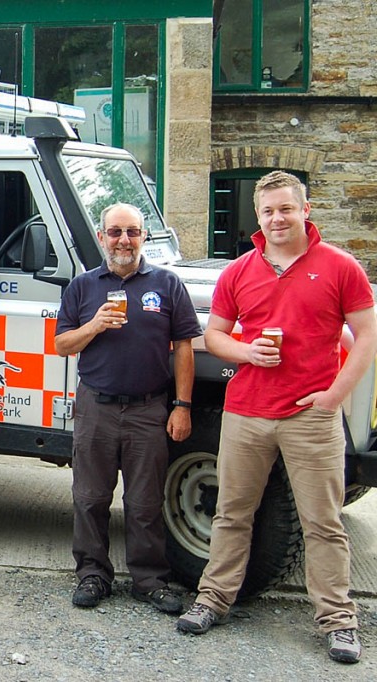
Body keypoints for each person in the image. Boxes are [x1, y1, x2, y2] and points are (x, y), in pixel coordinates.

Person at [177, 171, 377, 664]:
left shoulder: (340, 267)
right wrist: (246, 352)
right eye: (267, 211)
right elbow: (214, 336)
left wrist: (335, 396)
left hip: (311, 416)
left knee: (322, 522)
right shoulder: (239, 271)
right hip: (245, 412)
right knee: (231, 513)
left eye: (286, 208)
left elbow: (367, 336)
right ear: (258, 216)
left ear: (305, 210)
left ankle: (338, 621)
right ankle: (212, 599)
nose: (277, 218)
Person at [55, 203, 201, 612]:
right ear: (101, 237)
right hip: (96, 407)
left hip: (148, 408)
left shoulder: (167, 283)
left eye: (132, 232)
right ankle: (92, 575)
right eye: (116, 232)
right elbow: (62, 345)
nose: (124, 240)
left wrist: (182, 406)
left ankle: (149, 580)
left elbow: (184, 347)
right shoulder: (83, 286)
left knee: (145, 503)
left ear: (143, 236)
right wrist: (94, 325)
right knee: (89, 498)